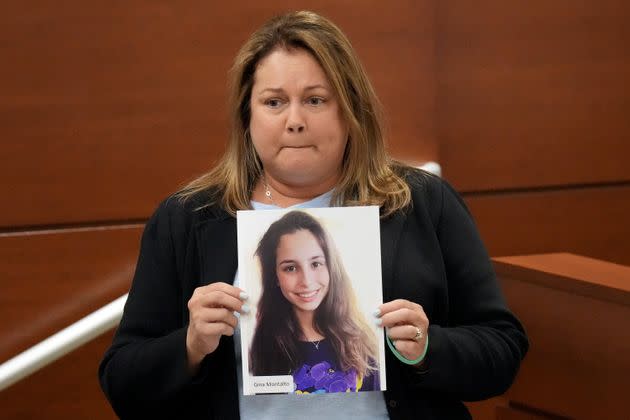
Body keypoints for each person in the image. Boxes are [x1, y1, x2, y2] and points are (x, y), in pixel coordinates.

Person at [99, 10, 528, 420]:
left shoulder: (422, 203)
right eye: (274, 102)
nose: (295, 121)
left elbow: (502, 350)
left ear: (350, 111)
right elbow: (123, 382)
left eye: (316, 100)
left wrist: (428, 347)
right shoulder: (188, 218)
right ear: (247, 116)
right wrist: (190, 347)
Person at [249, 210, 379, 393]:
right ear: (275, 277)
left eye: (316, 264)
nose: (307, 281)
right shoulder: (263, 346)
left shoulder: (360, 341)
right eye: (291, 268)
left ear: (331, 267)